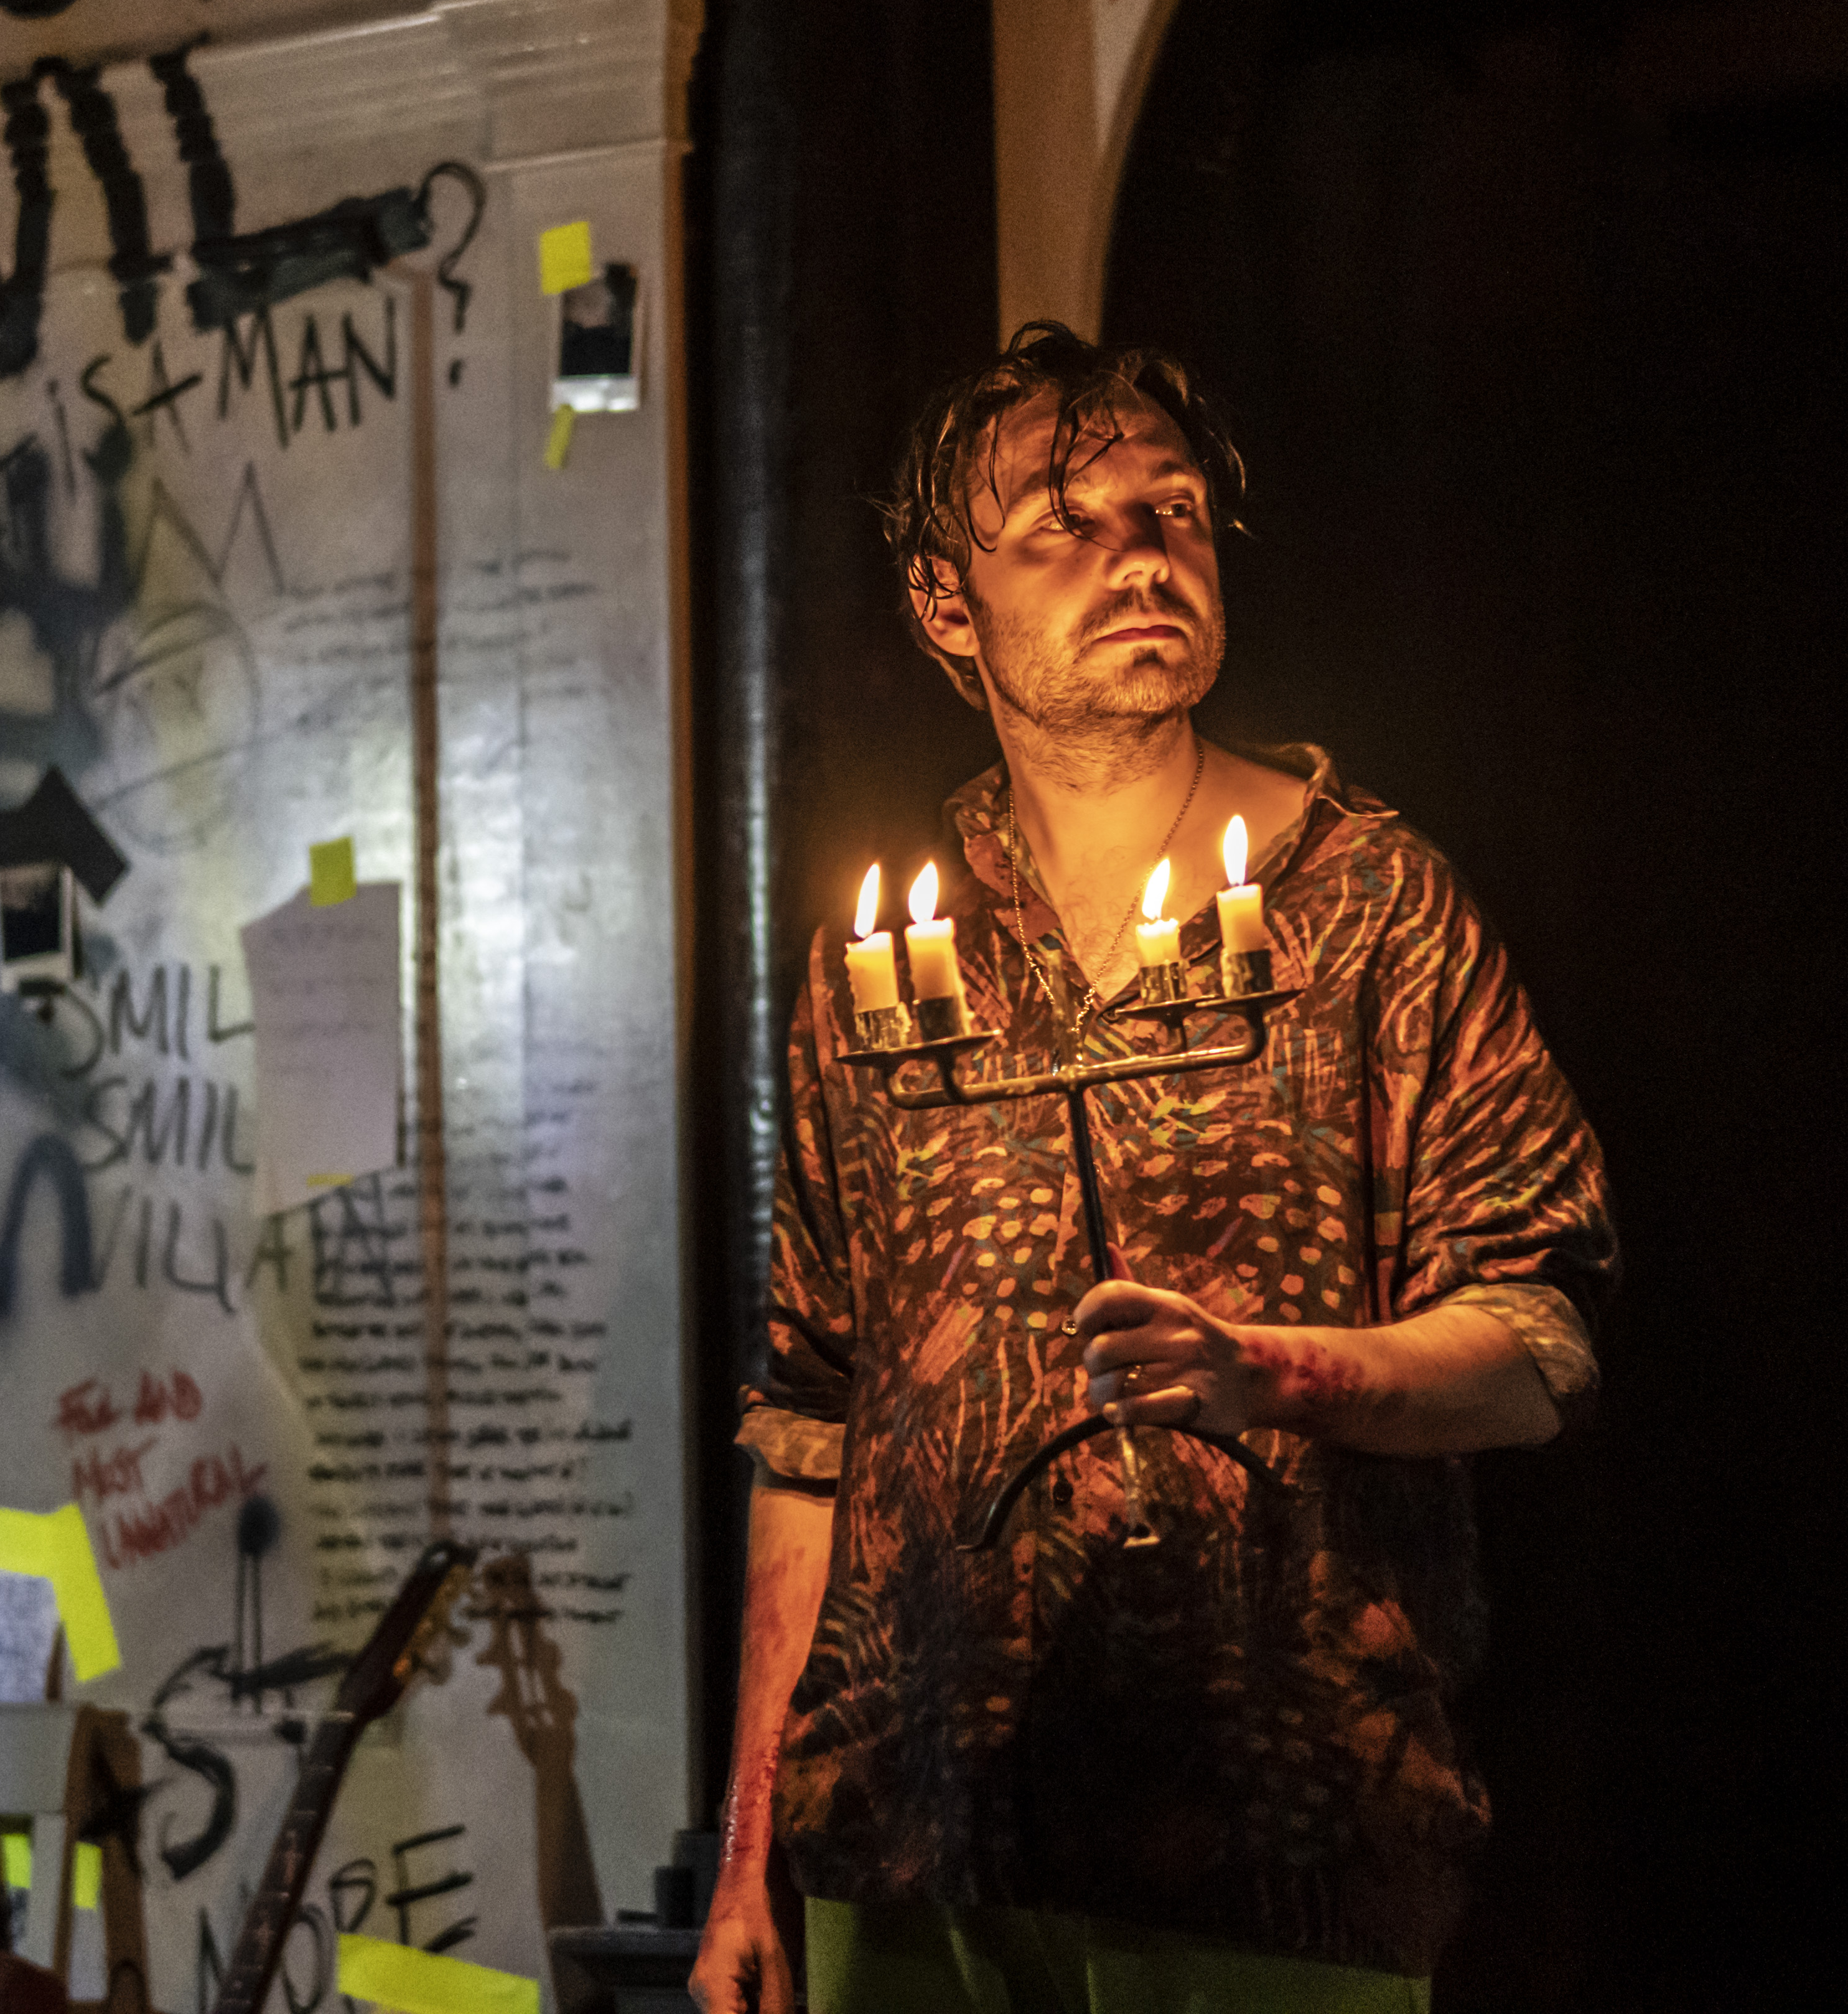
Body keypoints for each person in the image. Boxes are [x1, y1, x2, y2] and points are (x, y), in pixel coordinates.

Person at [691, 325, 1617, 2012]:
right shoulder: (891, 965)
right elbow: (810, 1428)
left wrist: (1274, 1372)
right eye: (1066, 526)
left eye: (1173, 511)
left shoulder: (1367, 908)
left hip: (1274, 1850)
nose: (1140, 557)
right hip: (908, 1851)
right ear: (945, 602)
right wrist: (751, 1847)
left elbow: (1538, 1343)